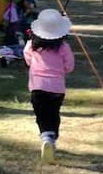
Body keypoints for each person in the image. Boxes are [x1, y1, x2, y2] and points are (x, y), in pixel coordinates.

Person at [23, 9, 75, 165]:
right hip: (57, 88)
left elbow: (28, 60)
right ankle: (52, 139)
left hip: (37, 87)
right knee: (53, 114)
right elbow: (70, 66)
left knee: (41, 115)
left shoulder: (31, 45)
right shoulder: (63, 47)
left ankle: (46, 137)